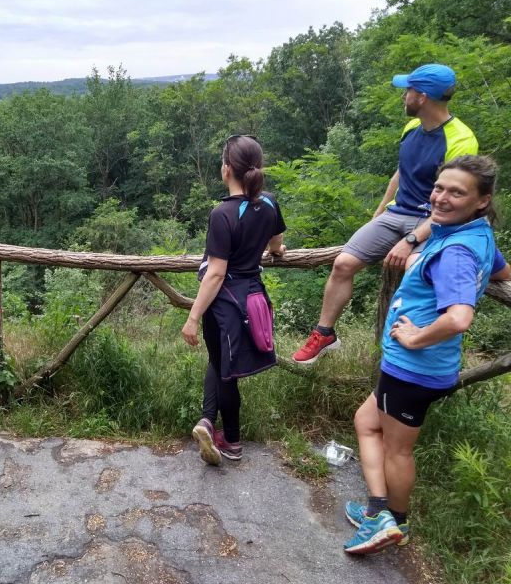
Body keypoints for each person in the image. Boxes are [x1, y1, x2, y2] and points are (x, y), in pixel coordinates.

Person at [343, 155, 509, 554]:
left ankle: (389, 520)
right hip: (429, 367)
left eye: (457, 192)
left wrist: (416, 338)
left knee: (397, 448)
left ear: (482, 200)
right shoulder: (474, 234)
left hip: (413, 367)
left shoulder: (456, 251)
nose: (442, 198)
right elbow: (501, 271)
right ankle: (379, 511)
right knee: (366, 421)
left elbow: (459, 317)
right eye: (440, 187)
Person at [293, 64, 478, 364]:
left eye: (408, 90)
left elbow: (453, 204)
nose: (403, 95)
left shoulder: (461, 140)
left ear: (422, 96)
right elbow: (401, 173)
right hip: (397, 214)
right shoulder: (411, 129)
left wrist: (411, 239)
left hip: (436, 221)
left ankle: (410, 346)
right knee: (342, 264)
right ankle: (324, 333)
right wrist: (378, 214)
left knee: (414, 268)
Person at [182, 135, 286, 465]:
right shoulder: (269, 203)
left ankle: (232, 441)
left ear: (227, 169)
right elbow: (276, 244)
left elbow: (215, 273)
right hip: (253, 297)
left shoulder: (222, 214)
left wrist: (193, 316)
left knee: (225, 370)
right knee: (220, 363)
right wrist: (277, 252)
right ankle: (208, 422)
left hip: (224, 303)